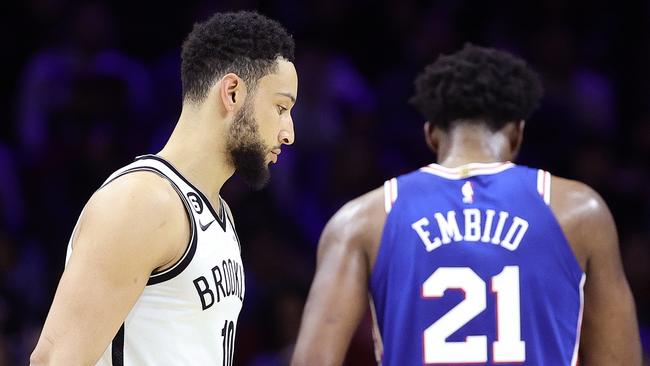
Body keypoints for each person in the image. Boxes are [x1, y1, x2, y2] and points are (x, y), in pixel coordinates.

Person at [291, 44, 641, 365]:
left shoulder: (361, 220)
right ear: (517, 133)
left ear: (430, 134)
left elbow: (312, 361)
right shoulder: (579, 211)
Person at [30, 10, 297, 366]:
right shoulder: (141, 202)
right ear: (232, 92)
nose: (288, 132)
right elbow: (53, 360)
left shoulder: (220, 213)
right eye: (280, 107)